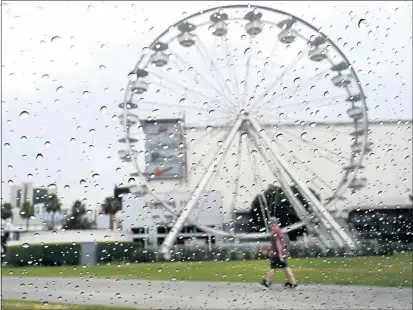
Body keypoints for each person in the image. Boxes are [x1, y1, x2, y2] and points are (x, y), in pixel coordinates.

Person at [259, 217, 297, 289]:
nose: (269, 225)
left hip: (278, 254)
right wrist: (268, 249)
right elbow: (275, 244)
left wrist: (280, 255)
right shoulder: (278, 230)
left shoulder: (275, 231)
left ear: (272, 223)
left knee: (274, 267)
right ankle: (292, 282)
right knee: (284, 267)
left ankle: (267, 283)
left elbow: (278, 244)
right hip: (280, 253)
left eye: (269, 223)